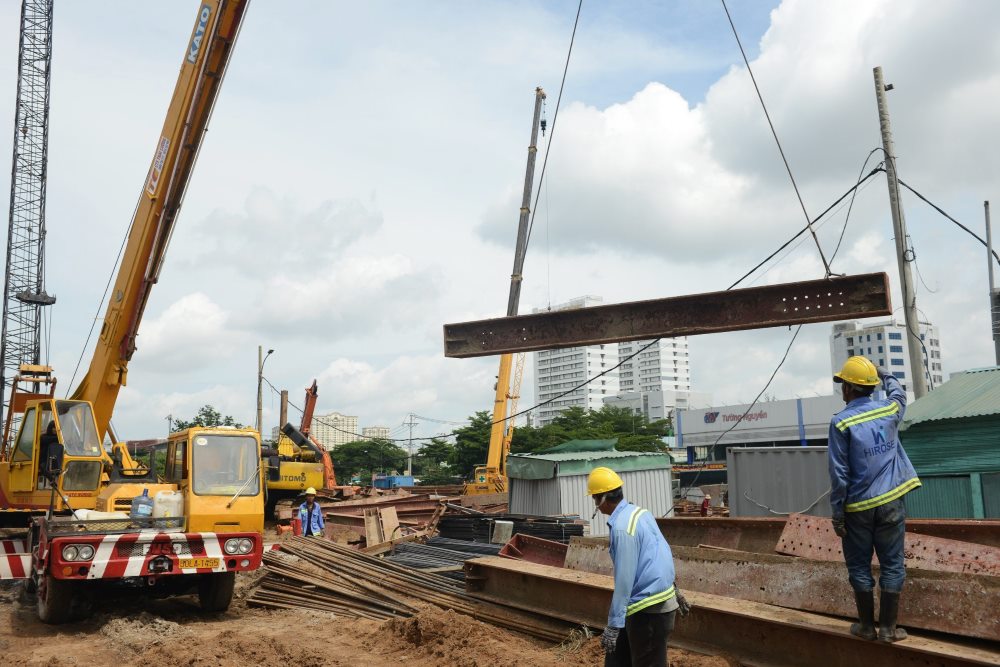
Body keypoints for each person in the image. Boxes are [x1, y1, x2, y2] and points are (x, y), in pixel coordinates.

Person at [828, 355, 921, 643]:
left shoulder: (841, 423)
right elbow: (899, 392)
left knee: (858, 566)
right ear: (870, 386)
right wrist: (884, 372)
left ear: (848, 388)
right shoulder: (890, 409)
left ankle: (867, 627)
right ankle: (890, 630)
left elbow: (839, 472)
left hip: (857, 507)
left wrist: (838, 513)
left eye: (843, 383)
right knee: (893, 564)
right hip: (891, 502)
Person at [589, 467, 686, 667]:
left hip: (649, 611)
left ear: (603, 499)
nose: (596, 506)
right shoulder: (641, 513)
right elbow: (661, 553)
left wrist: (614, 625)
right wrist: (675, 589)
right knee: (616, 659)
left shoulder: (623, 528)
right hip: (644, 606)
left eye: (594, 499)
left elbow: (624, 579)